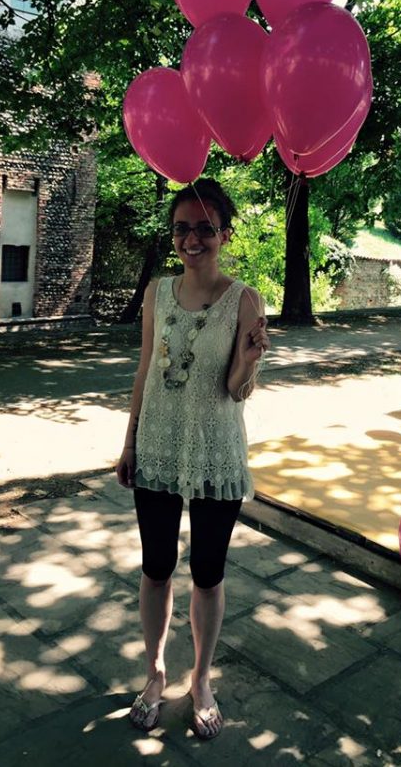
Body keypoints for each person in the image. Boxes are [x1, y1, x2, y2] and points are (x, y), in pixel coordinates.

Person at [116, 178, 269, 740]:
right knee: (156, 567)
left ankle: (201, 679)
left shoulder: (245, 299)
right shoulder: (157, 293)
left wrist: (249, 361)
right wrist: (129, 441)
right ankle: (155, 673)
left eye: (205, 228)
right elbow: (144, 370)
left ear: (225, 234)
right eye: (182, 228)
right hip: (157, 444)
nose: (192, 239)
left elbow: (236, 390)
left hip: (214, 451)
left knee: (207, 573)